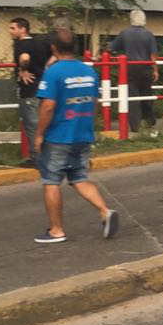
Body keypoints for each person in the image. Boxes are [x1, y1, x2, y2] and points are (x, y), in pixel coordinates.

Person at [33, 28, 119, 244]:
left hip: (58, 136)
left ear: (53, 48)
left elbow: (48, 106)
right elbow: (95, 102)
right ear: (76, 47)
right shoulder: (89, 72)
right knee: (79, 178)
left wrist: (39, 134)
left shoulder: (53, 72)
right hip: (82, 134)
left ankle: (56, 230)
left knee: (51, 181)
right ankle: (104, 211)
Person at [9, 16, 51, 166]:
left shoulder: (21, 44)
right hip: (43, 89)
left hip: (29, 91)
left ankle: (37, 159)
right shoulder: (39, 43)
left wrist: (23, 69)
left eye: (13, 28)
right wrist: (46, 68)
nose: (10, 31)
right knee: (44, 124)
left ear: (23, 29)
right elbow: (54, 55)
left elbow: (25, 58)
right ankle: (47, 155)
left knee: (32, 125)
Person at [109, 9, 158, 133]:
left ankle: (134, 126)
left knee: (132, 97)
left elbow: (112, 48)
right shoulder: (148, 34)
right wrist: (155, 70)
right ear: (144, 20)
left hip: (129, 68)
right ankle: (150, 121)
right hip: (145, 67)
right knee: (147, 95)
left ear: (131, 19)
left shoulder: (124, 33)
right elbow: (153, 55)